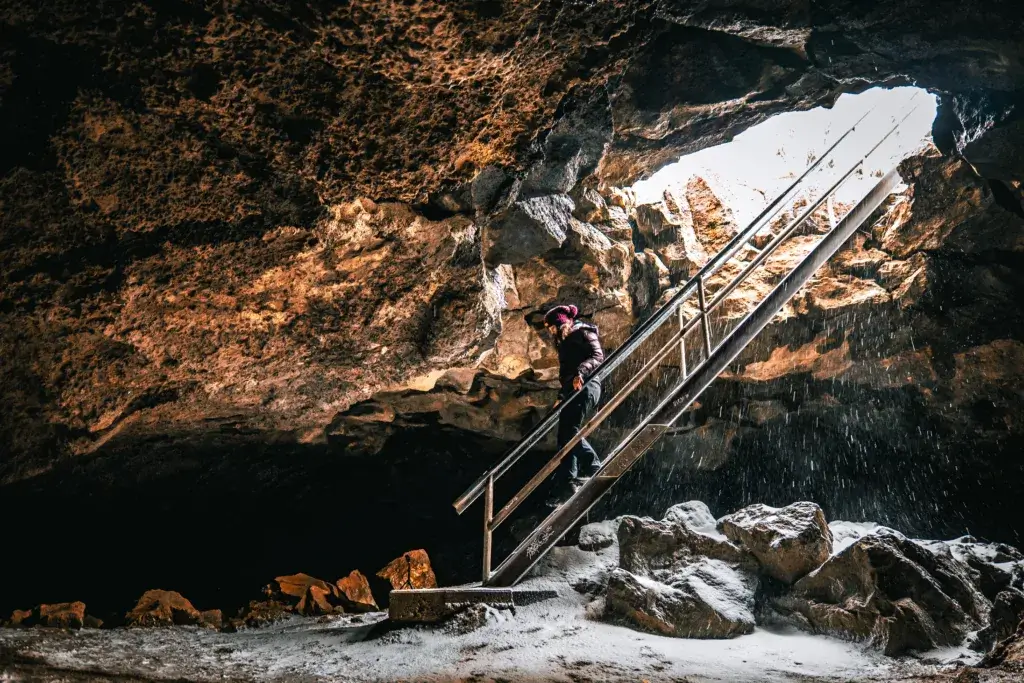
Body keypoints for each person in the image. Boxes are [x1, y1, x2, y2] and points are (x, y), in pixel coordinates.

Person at [543, 304, 605, 506]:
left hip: (587, 385)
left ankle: (593, 465)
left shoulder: (583, 332)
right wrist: (561, 396)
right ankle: (568, 485)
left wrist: (581, 372)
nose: (552, 332)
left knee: (569, 432)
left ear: (562, 323)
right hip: (572, 390)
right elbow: (566, 375)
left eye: (553, 327)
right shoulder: (565, 343)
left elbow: (597, 357)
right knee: (563, 436)